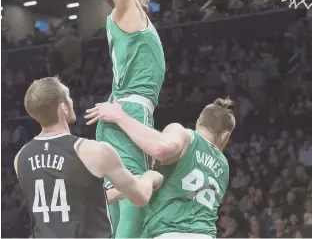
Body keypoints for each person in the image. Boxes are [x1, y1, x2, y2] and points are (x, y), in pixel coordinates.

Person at [76, 0, 166, 237]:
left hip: (132, 114)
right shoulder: (125, 12)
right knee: (128, 215)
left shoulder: (134, 23)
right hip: (126, 111)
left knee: (132, 208)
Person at [15, 77, 163, 238]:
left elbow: (67, 201)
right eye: (68, 97)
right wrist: (150, 177)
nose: (71, 101)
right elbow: (140, 197)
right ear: (63, 107)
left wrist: (118, 192)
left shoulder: (20, 158)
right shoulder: (93, 151)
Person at [86, 97, 235, 238]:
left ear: (199, 121)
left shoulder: (184, 134)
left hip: (170, 232)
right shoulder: (224, 166)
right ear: (225, 136)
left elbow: (161, 148)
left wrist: (119, 116)